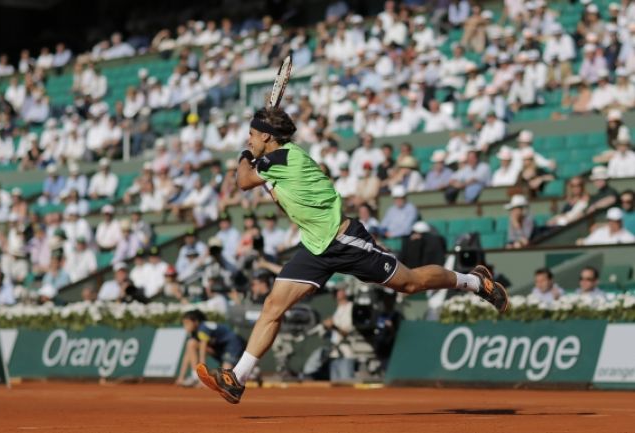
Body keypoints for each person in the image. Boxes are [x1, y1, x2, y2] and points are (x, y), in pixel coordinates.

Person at [195, 106, 509, 404]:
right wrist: (254, 153)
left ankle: (475, 282)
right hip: (315, 247)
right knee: (272, 307)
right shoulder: (275, 160)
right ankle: (237, 378)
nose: (248, 138)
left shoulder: (285, 157)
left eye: (252, 133)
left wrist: (246, 153)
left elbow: (243, 180)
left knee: (410, 283)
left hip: (343, 239)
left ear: (267, 137)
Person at [176, 310, 246, 386]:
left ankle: (253, 373)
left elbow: (202, 352)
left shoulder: (203, 328)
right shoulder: (195, 332)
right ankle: (195, 376)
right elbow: (187, 355)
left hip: (233, 345)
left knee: (225, 377)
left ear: (196, 322)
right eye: (184, 323)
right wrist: (181, 377)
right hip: (220, 349)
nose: (185, 326)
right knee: (191, 343)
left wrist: (203, 378)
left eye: (187, 323)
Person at [323, 284, 355, 382]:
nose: (337, 293)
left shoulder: (351, 307)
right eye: (335, 291)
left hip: (346, 354)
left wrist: (333, 326)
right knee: (335, 391)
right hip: (334, 354)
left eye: (340, 290)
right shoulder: (337, 309)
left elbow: (347, 332)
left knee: (346, 389)